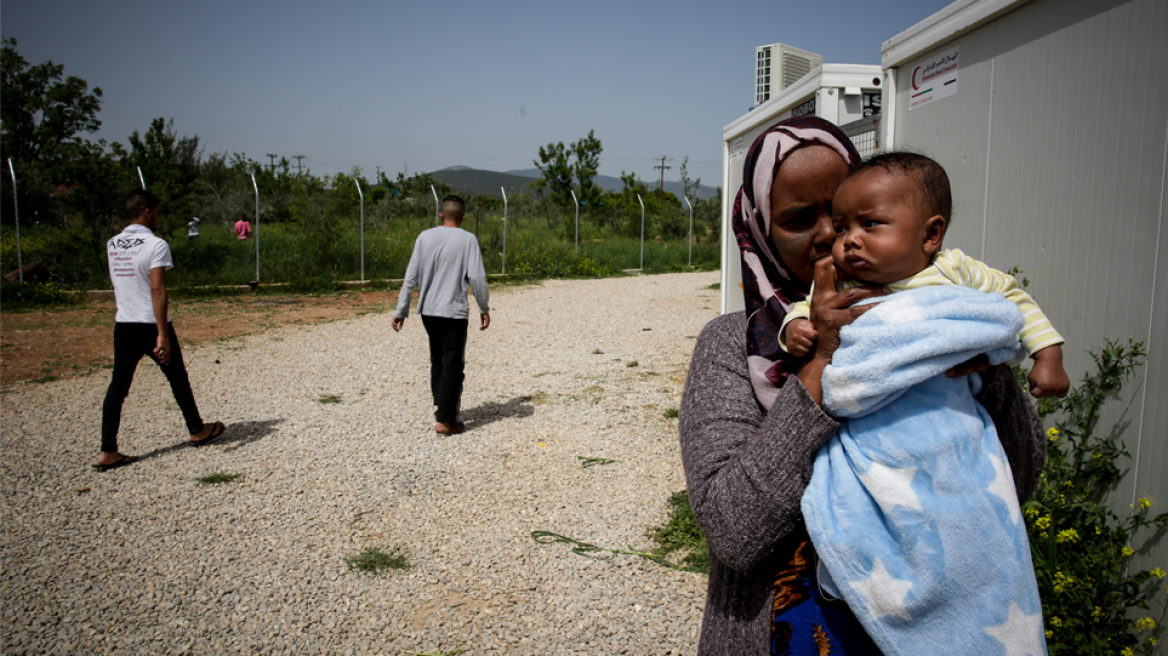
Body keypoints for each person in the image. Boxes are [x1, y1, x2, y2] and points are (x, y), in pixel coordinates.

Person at [678, 117, 1047, 655]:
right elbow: (735, 532)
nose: (832, 234)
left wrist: (990, 373)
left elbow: (1020, 481)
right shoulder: (735, 347)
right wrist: (820, 364)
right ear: (761, 231)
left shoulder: (942, 321)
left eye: (846, 210)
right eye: (799, 219)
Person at [779, 152, 1069, 398]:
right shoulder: (839, 280)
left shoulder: (953, 269)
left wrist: (1047, 357)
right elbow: (809, 309)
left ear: (931, 234)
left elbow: (1014, 301)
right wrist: (795, 328)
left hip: (948, 401)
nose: (848, 239)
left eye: (869, 223)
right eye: (842, 227)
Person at [96, 190, 224, 471]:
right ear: (147, 212)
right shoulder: (156, 244)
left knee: (118, 386)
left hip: (124, 323)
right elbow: (157, 289)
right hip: (151, 324)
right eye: (156, 211)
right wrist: (162, 333)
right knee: (177, 376)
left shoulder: (113, 244)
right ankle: (197, 429)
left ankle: (108, 450)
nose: (157, 217)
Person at [392, 195, 490, 435]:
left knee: (438, 358)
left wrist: (401, 310)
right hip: (453, 310)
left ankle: (441, 406)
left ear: (441, 215)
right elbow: (476, 277)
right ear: (463, 218)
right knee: (453, 363)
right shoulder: (468, 240)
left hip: (428, 310)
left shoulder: (424, 237)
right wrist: (483, 307)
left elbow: (411, 275)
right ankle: (446, 421)